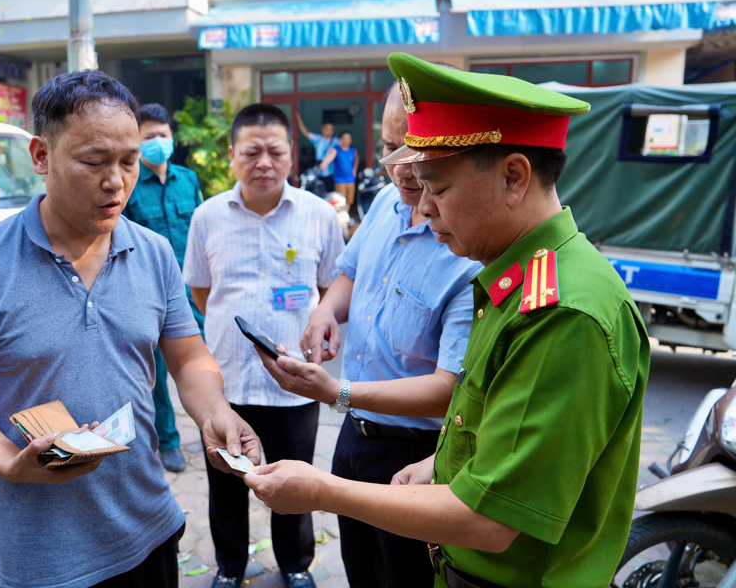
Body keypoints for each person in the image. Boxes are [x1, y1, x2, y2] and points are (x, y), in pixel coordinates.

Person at [245, 55, 650, 588]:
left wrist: (321, 490)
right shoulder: (511, 278)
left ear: (513, 177)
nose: (426, 207)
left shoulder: (562, 316)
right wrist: (443, 463)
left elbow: (490, 518)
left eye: (438, 187)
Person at [0, 70, 261, 588]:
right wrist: (9, 461)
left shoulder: (153, 253)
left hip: (150, 529)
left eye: (129, 161)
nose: (116, 182)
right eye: (94, 162)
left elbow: (189, 357)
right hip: (44, 557)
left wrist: (216, 413)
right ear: (41, 156)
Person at [265, 86, 478, 588]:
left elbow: (449, 387)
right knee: (360, 567)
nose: (401, 168)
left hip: (417, 452)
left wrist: (335, 391)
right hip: (354, 437)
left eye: (415, 152)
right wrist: (324, 311)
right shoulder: (385, 201)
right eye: (388, 150)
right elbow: (351, 273)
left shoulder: (468, 248)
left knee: (405, 576)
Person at [183, 104, 346, 588]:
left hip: (295, 385)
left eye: (275, 151)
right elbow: (202, 292)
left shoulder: (319, 216)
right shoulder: (207, 217)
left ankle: (296, 566)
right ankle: (230, 569)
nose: (264, 163)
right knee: (226, 486)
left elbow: (331, 290)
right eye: (251, 152)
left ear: (291, 155)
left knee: (294, 484)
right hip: (225, 383)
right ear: (232, 155)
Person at [122, 102, 205, 473]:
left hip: (193, 293)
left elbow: (202, 236)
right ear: (137, 143)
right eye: (149, 137)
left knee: (203, 365)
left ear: (172, 137)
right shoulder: (129, 184)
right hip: (147, 295)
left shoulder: (188, 180)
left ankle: (212, 429)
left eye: (163, 135)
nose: (158, 142)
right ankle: (168, 439)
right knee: (155, 375)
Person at [296, 112, 337, 192]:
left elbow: (338, 151)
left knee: (330, 193)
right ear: (322, 129)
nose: (329, 131)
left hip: (331, 173)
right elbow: (306, 133)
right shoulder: (318, 139)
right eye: (327, 129)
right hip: (318, 172)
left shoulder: (336, 141)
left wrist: (326, 162)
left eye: (331, 129)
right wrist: (298, 120)